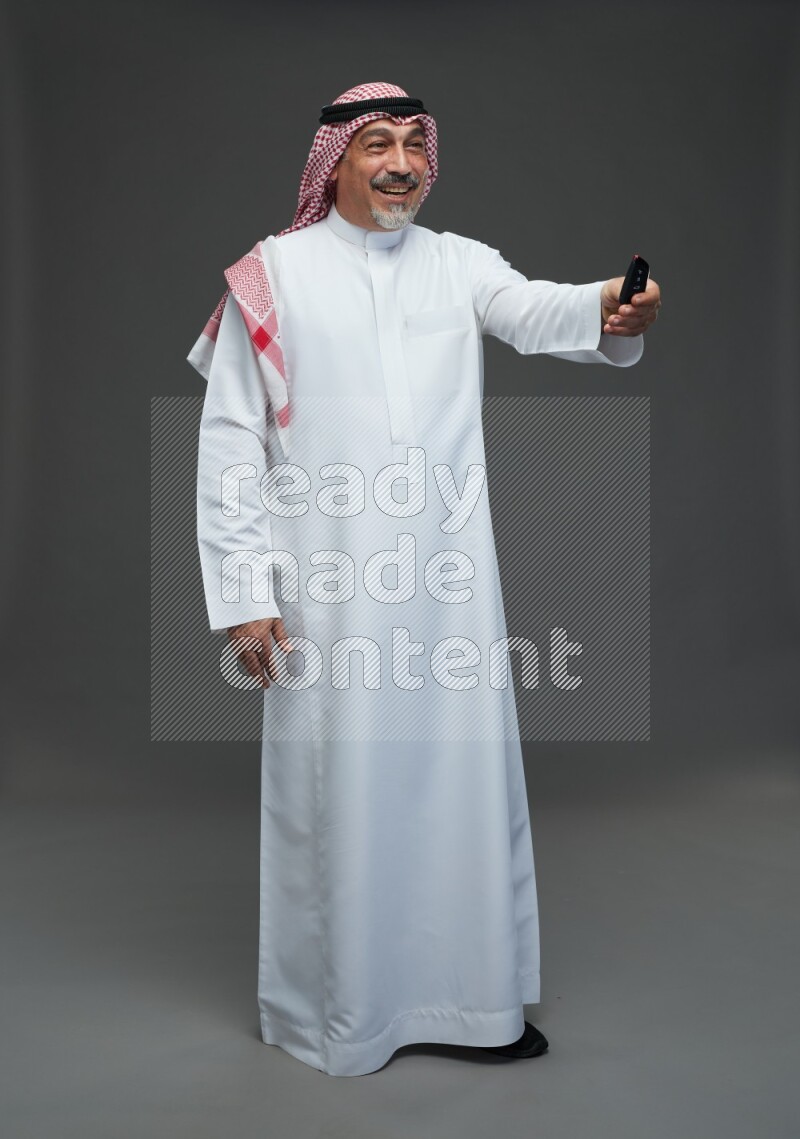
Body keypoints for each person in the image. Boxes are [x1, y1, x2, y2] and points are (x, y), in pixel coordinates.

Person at [187, 81, 661, 1078]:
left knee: (458, 784)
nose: (400, 162)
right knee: (343, 792)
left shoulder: (458, 263)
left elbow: (537, 312)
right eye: (374, 145)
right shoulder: (272, 276)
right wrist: (245, 599)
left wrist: (610, 309)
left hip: (448, 590)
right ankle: (340, 1018)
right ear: (334, 162)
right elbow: (228, 447)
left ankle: (473, 1003)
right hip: (326, 588)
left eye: (413, 143)